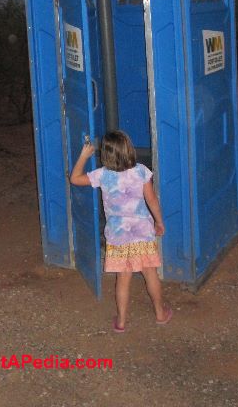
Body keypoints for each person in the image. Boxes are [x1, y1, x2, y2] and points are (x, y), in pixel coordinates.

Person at [70, 130, 172, 332]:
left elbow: (74, 178)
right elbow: (151, 200)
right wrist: (159, 222)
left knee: (123, 278)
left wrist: (84, 155)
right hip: (142, 231)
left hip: (118, 236)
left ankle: (122, 322)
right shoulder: (141, 171)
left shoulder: (102, 175)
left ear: (105, 154)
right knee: (149, 272)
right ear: (129, 149)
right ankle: (160, 314)